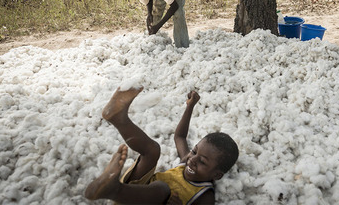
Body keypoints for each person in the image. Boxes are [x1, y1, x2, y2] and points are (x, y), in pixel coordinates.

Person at [85, 87, 239, 204]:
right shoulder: (186, 161)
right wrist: (190, 107)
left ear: (216, 175)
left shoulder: (205, 195)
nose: (193, 159)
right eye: (194, 152)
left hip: (143, 199)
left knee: (162, 188)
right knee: (153, 150)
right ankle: (119, 119)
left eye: (202, 161)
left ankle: (113, 190)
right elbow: (180, 137)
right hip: (134, 192)